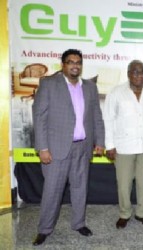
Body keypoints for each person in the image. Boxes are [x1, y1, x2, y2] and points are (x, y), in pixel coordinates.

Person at [32, 49, 105, 245]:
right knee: (52, 190)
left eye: (78, 62)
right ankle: (44, 229)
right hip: (56, 149)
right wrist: (43, 148)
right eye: (71, 62)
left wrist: (100, 141)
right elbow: (39, 117)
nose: (75, 65)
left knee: (80, 188)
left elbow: (96, 116)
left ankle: (79, 223)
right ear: (63, 65)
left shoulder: (90, 87)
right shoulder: (48, 84)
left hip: (83, 147)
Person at [103, 60, 143, 229]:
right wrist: (110, 145)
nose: (139, 76)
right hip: (123, 146)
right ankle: (124, 213)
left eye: (142, 72)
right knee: (124, 183)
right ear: (128, 74)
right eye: (135, 72)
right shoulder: (116, 93)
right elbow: (108, 119)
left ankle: (142, 213)